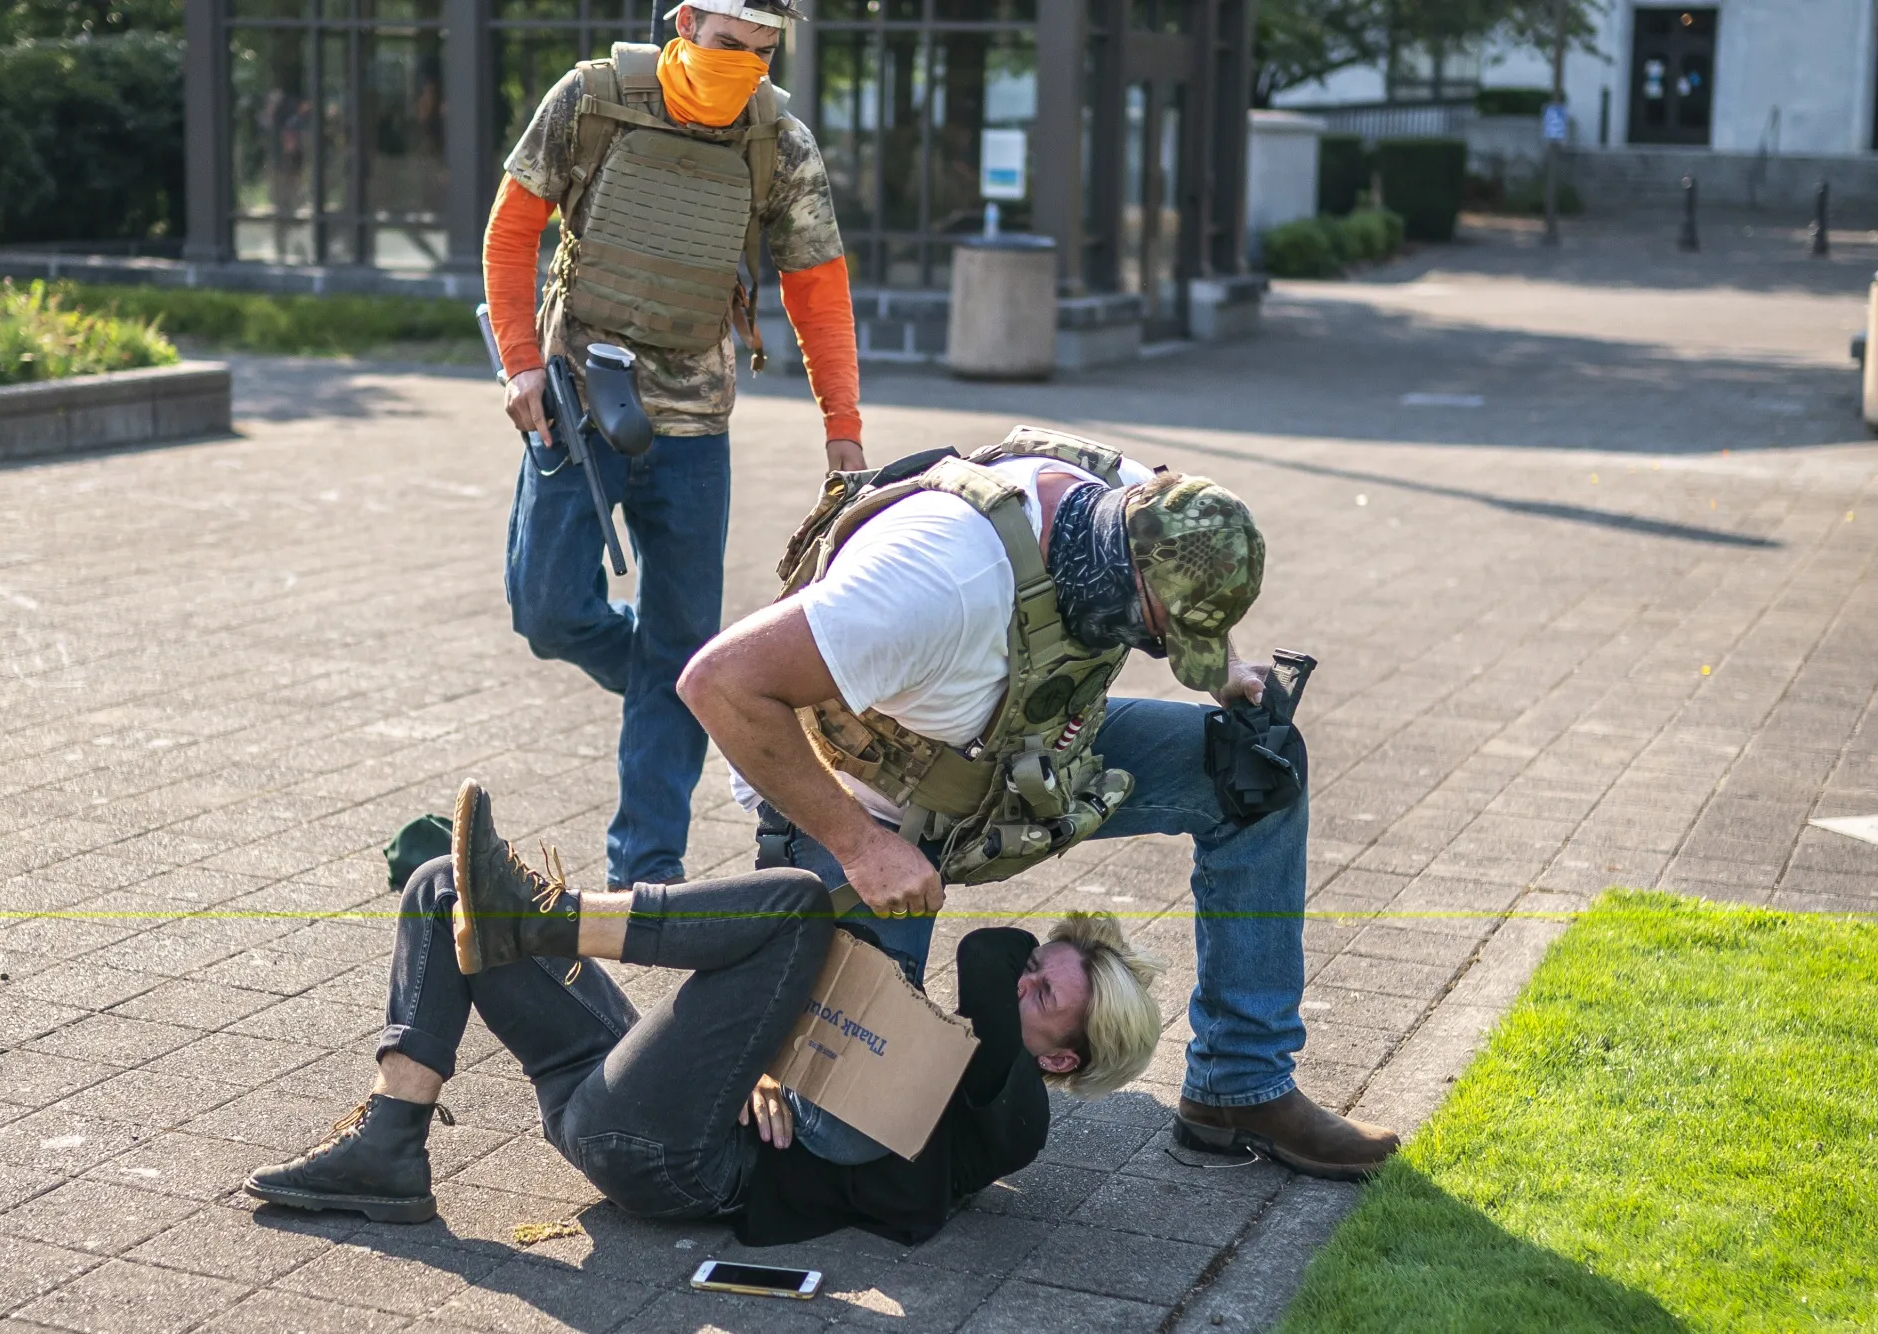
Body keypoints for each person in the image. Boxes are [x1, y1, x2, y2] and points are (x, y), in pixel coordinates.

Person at [676, 426, 1404, 1180]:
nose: (1159, 653)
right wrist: (859, 844)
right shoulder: (935, 581)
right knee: (848, 1131)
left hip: (1028, 758)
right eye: (1159, 635)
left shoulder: (1135, 505)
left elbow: (1176, 599)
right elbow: (719, 685)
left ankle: (1240, 1087)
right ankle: (771, 1009)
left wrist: (1222, 669)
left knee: (1257, 772)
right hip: (874, 808)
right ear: (1118, 574)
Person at [243, 779, 1163, 1245]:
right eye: (1037, 968)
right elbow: (980, 968)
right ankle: (388, 1144)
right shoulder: (927, 1034)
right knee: (449, 887)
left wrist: (1028, 955)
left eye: (1044, 996)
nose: (1018, 982)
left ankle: (554, 919)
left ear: (1062, 1061)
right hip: (615, 1097)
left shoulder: (1010, 1120)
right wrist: (762, 1063)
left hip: (686, 1169)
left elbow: (985, 949)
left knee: (800, 903)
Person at [481, 0, 862, 891]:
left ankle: (645, 868)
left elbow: (818, 287)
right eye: (731, 45)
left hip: (696, 426)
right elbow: (512, 228)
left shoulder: (779, 140)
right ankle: (694, 698)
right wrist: (520, 363)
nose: (746, 68)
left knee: (684, 635)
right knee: (548, 611)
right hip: (576, 401)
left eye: (764, 54)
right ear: (684, 23)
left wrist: (842, 429)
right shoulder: (594, 99)